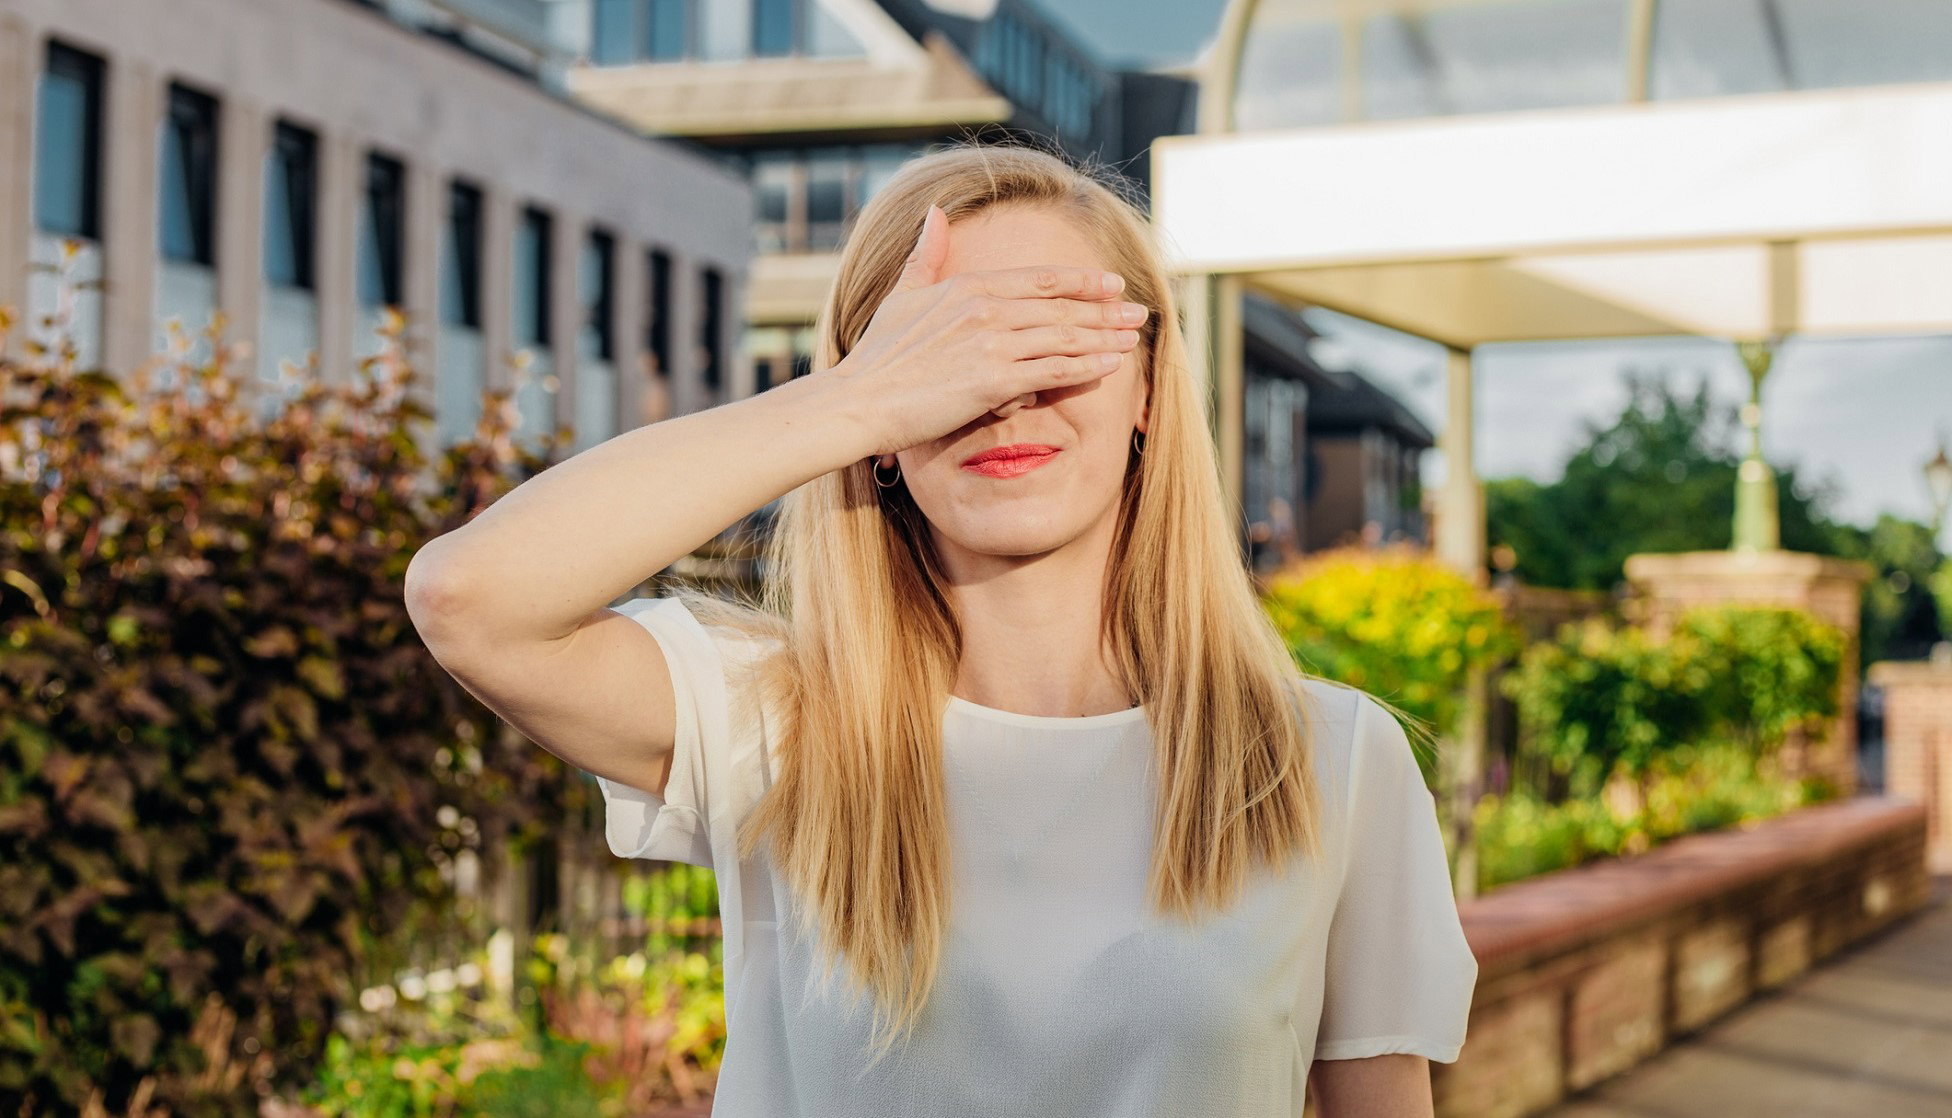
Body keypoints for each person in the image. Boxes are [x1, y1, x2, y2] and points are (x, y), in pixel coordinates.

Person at [406, 140, 1478, 1117]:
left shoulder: (1325, 759)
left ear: (1149, 387)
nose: (1003, 398)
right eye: (949, 351)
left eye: (1049, 339)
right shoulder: (773, 720)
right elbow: (471, 598)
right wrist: (852, 399)